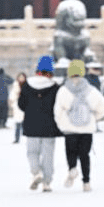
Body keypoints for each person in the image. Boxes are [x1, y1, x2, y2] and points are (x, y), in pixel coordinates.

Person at [53, 59, 104, 190]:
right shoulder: (90, 90)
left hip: (69, 128)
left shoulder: (63, 90)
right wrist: (95, 118)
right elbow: (103, 105)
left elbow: (57, 110)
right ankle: (86, 182)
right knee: (85, 155)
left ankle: (72, 169)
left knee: (71, 152)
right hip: (87, 128)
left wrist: (61, 123)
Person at [17, 55, 61, 191]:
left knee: (32, 152)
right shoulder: (55, 87)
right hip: (50, 126)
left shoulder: (27, 85)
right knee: (48, 155)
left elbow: (21, 105)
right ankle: (47, 182)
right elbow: (59, 106)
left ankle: (36, 172)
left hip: (31, 124)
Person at [9, 72, 26, 143]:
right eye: (20, 77)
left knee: (26, 124)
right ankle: (17, 139)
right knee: (18, 124)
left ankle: (29, 138)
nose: (21, 79)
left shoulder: (27, 86)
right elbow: (12, 97)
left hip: (26, 107)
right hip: (18, 107)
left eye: (23, 77)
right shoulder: (15, 86)